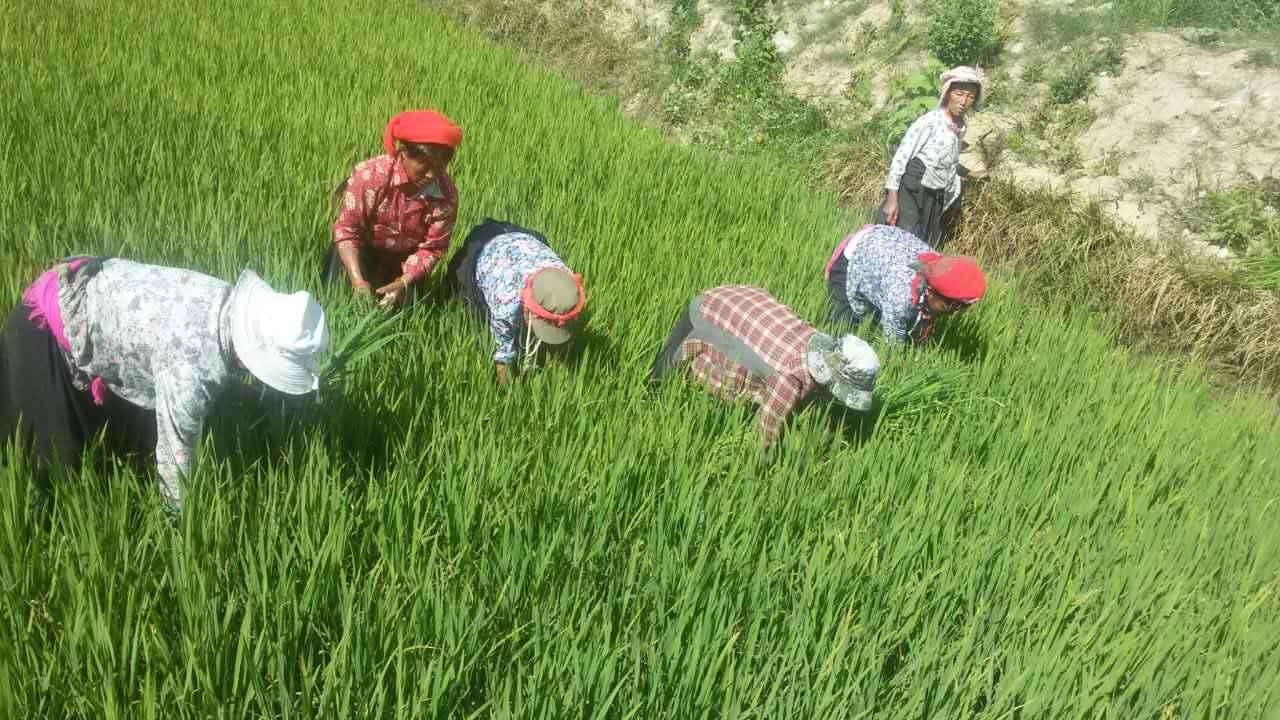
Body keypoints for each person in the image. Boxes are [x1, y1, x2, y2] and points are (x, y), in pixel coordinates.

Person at [0, 257, 329, 515]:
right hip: (45, 324)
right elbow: (176, 455)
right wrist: (179, 522)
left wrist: (261, 397)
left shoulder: (226, 302)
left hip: (92, 284)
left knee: (131, 442)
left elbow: (204, 363)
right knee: (59, 468)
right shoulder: (191, 369)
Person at [648, 285, 879, 451]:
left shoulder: (817, 343)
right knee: (661, 378)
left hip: (737, 296)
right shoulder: (788, 381)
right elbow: (762, 440)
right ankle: (648, 403)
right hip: (709, 312)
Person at [323, 109, 463, 308]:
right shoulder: (370, 176)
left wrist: (403, 281)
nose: (432, 175)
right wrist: (358, 281)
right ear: (404, 153)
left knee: (401, 314)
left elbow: (432, 249)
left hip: (405, 262)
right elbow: (347, 230)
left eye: (440, 167)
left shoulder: (446, 196)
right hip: (361, 250)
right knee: (336, 300)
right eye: (424, 165)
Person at [446, 219, 586, 385]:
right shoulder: (506, 302)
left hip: (528, 243)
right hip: (490, 251)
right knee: (472, 311)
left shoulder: (567, 284)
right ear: (527, 310)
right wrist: (506, 392)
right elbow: (503, 354)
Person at [876, 66, 986, 246]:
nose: (964, 101)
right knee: (904, 241)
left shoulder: (959, 126)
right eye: (959, 94)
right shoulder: (930, 122)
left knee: (925, 243)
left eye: (970, 97)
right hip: (913, 188)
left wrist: (967, 173)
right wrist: (892, 198)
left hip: (934, 194)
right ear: (947, 92)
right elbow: (901, 156)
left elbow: (946, 159)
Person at [824, 224, 986, 345]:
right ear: (930, 291)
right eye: (950, 305)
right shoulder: (901, 297)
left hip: (886, 248)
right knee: (841, 328)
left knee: (885, 320)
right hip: (858, 254)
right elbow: (893, 347)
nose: (954, 312)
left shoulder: (937, 268)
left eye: (961, 306)